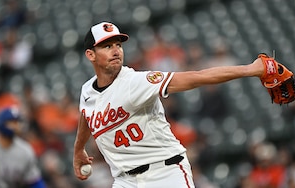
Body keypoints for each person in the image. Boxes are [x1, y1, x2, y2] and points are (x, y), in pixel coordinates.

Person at [72, 21, 264, 188]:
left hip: (164, 173)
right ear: (91, 55)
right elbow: (87, 114)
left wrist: (251, 69)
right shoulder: (88, 90)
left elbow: (197, 77)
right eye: (107, 46)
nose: (115, 51)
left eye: (118, 45)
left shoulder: (135, 81)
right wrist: (79, 149)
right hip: (125, 181)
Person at [0, 107, 46, 188]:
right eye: (12, 122)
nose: (16, 126)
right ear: (1, 122)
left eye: (17, 122)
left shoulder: (25, 151)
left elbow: (34, 182)